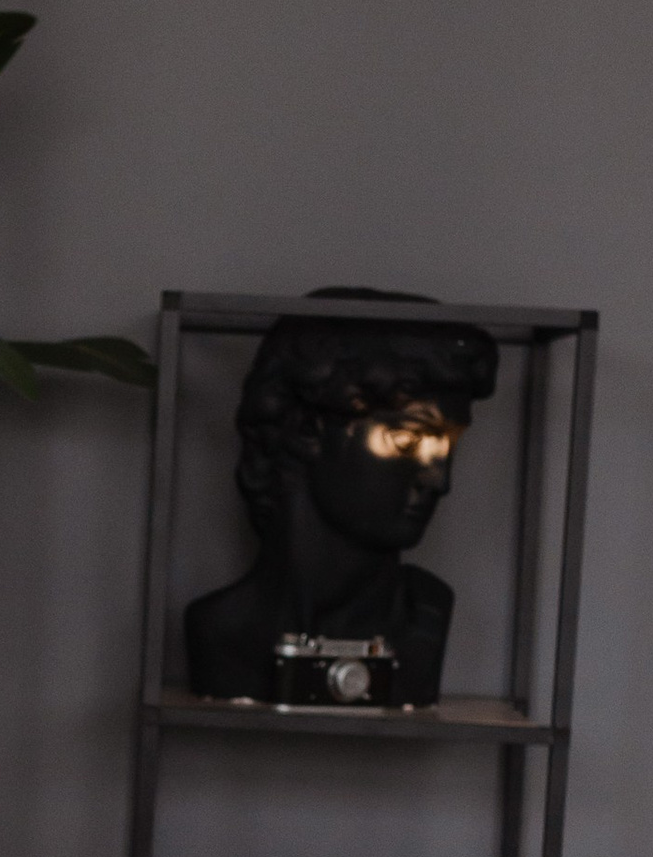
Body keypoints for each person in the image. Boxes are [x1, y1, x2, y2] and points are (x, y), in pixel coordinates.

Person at [180, 295, 499, 705]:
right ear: (309, 430)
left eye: (448, 448)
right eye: (407, 440)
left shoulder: (426, 615)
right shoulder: (220, 626)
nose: (440, 481)